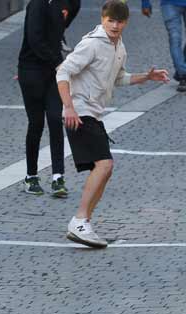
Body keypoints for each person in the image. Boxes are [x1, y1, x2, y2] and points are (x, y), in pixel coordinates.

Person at [57, 0, 169, 248]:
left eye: (119, 21)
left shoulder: (119, 46)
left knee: (106, 169)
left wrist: (147, 77)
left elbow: (119, 78)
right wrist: (69, 107)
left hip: (93, 114)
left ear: (126, 23)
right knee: (105, 165)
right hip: (80, 112)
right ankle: (79, 220)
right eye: (111, 21)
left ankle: (84, 221)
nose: (115, 25)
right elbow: (62, 72)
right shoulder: (92, 44)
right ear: (102, 18)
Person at [18, 0, 75, 197]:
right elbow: (34, 40)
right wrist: (58, 62)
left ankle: (58, 177)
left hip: (52, 72)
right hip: (32, 70)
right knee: (36, 123)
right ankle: (31, 176)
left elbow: (60, 28)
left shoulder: (61, 3)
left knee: (54, 118)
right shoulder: (37, 4)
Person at [143, 0, 186, 91]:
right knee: (175, 38)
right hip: (169, 4)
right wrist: (145, 2)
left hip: (168, 4)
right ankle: (183, 75)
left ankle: (181, 71)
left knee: (174, 39)